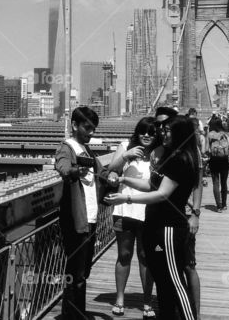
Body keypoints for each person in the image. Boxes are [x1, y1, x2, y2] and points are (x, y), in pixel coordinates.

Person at [105, 114, 203, 320]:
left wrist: (126, 198)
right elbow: (151, 185)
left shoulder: (180, 160)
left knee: (174, 280)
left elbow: (162, 194)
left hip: (169, 227)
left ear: (179, 134)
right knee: (162, 279)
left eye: (167, 130)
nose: (162, 133)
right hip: (154, 224)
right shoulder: (168, 156)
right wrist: (124, 179)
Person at [54, 106, 106, 320]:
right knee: (76, 272)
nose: (91, 132)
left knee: (82, 272)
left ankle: (77, 314)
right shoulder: (68, 147)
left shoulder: (87, 150)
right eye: (87, 128)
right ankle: (72, 315)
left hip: (89, 218)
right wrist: (75, 171)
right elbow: (63, 167)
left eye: (93, 128)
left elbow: (102, 172)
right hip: (76, 219)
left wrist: (114, 176)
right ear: (74, 126)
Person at [105, 117, 156, 318]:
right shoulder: (126, 146)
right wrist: (126, 155)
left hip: (149, 212)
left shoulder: (158, 152)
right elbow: (111, 171)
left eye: (151, 133)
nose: (147, 136)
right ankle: (119, 299)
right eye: (143, 131)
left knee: (146, 257)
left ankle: (147, 301)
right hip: (124, 210)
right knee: (124, 255)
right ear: (137, 132)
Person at [206, 115, 229, 212]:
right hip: (224, 161)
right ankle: (224, 204)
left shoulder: (209, 134)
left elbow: (205, 150)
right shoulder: (225, 134)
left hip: (214, 161)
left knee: (216, 183)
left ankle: (218, 206)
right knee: (224, 183)